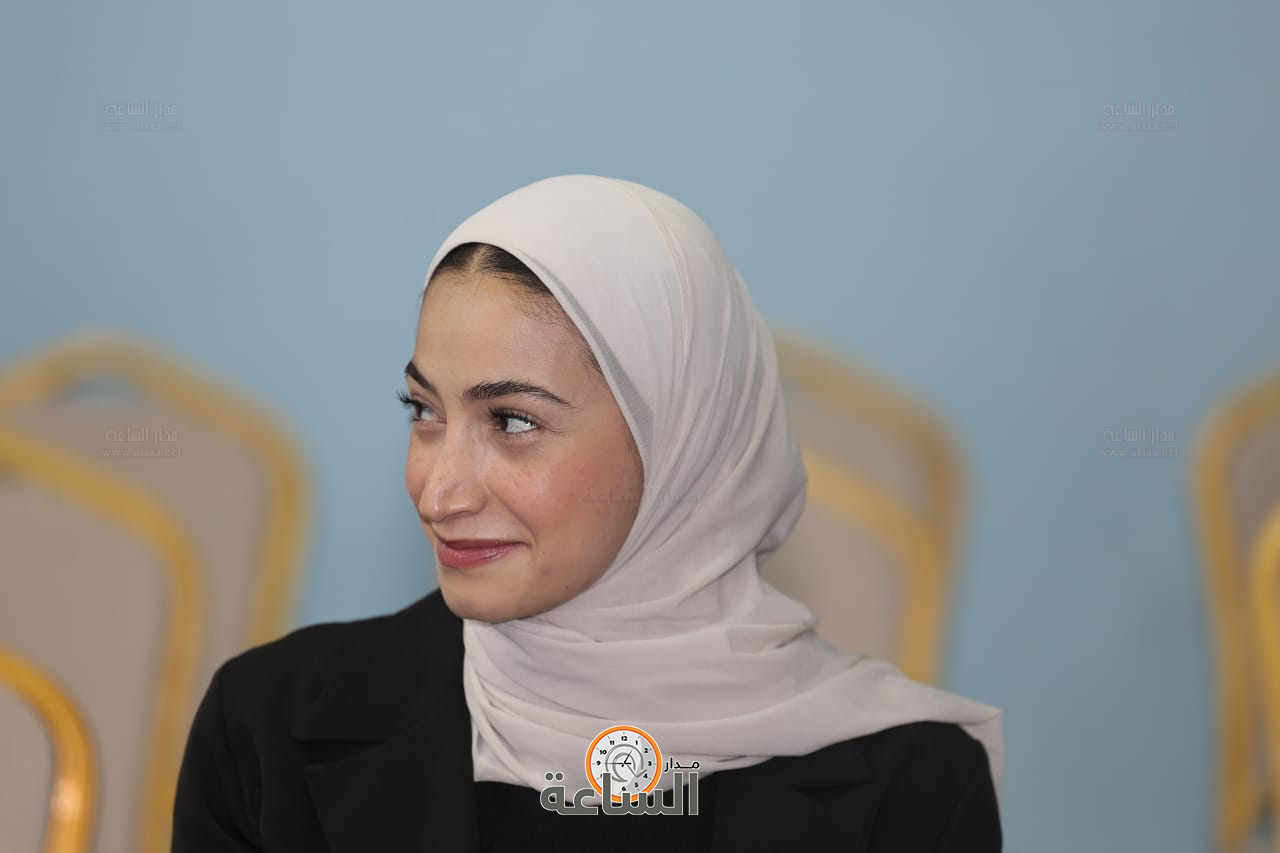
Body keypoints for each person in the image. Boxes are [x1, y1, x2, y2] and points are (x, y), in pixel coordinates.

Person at [171, 174, 1004, 852]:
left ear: (678, 443)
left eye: (512, 421)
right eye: (424, 410)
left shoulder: (911, 788)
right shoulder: (268, 730)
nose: (439, 490)